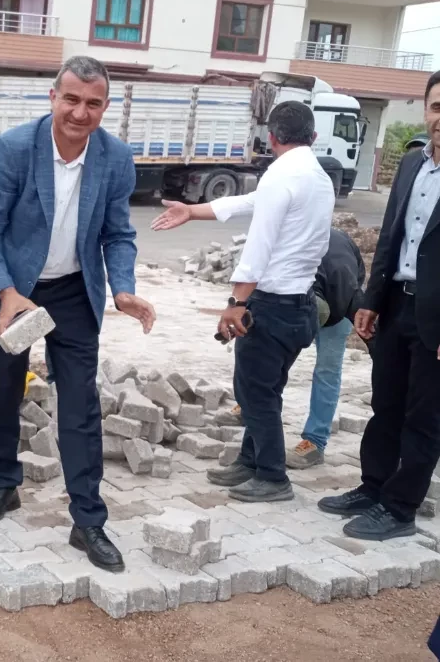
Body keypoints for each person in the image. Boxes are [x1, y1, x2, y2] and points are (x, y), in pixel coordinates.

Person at [0, 55, 156, 572]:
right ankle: (5, 485)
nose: (80, 112)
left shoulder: (115, 159)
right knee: (6, 392)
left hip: (74, 291)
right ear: (53, 97)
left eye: (93, 103)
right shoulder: (13, 150)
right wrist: (4, 292)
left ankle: (88, 520)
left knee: (80, 404)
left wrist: (122, 289)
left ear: (105, 107)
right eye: (71, 99)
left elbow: (118, 233)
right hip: (16, 290)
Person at [154, 102, 335, 503]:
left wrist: (236, 302)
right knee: (265, 388)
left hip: (272, 304)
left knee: (254, 392)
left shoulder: (283, 175)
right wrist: (193, 211)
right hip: (300, 304)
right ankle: (251, 461)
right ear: (313, 137)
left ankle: (272, 476)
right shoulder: (316, 176)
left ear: (271, 138)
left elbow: (259, 245)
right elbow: (249, 203)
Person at [154, 194, 366, 469]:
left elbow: (357, 294)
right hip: (299, 303)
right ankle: (251, 406)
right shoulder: (285, 243)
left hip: (336, 312)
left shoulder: (340, 276)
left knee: (326, 371)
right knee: (269, 357)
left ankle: (315, 441)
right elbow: (255, 287)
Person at [318, 71, 440, 540]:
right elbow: (391, 235)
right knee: (385, 404)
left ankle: (401, 508)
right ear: (426, 111)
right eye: (436, 107)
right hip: (396, 306)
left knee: (423, 417)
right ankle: (373, 487)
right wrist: (370, 301)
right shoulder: (412, 165)